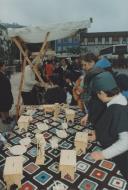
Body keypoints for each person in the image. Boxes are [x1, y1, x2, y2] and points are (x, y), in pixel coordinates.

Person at [90, 71, 128, 180]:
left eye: (97, 94)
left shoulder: (119, 109)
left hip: (119, 158)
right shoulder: (115, 102)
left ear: (102, 92)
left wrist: (103, 154)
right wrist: (98, 134)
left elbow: (126, 142)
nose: (97, 96)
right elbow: (110, 124)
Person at [80, 53, 106, 126]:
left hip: (98, 114)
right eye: (82, 65)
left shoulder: (98, 77)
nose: (83, 67)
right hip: (91, 110)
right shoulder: (90, 74)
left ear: (92, 62)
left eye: (85, 65)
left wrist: (90, 114)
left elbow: (99, 100)